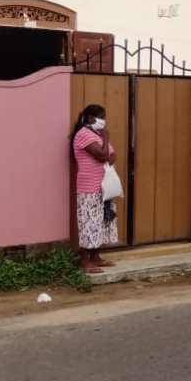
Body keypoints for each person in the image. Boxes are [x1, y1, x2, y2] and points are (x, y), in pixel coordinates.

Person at [72, 103, 118, 274]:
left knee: (101, 221)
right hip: (89, 186)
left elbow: (113, 156)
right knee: (89, 222)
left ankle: (96, 257)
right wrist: (106, 139)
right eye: (102, 117)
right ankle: (85, 261)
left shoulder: (95, 134)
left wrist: (106, 151)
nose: (104, 121)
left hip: (103, 186)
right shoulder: (83, 134)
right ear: (91, 118)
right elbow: (102, 156)